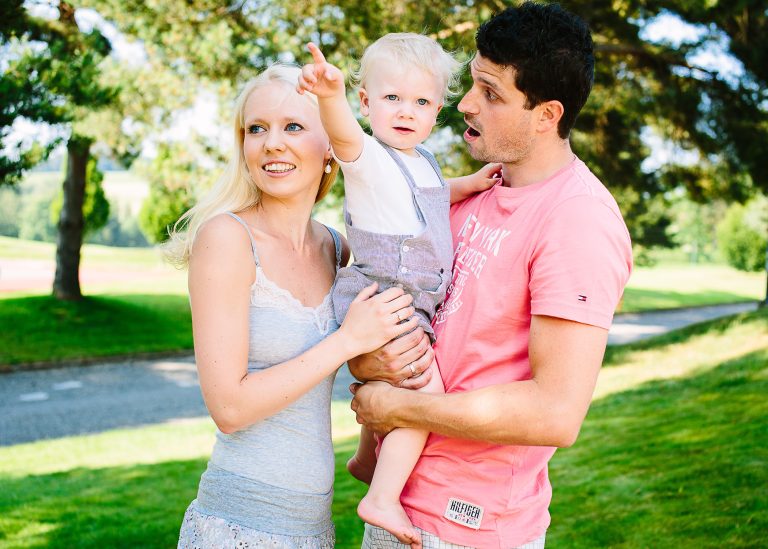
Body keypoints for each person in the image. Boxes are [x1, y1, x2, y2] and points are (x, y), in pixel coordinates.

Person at [348, 3, 634, 548]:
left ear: (547, 115)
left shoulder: (578, 220)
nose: (465, 104)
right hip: (399, 504)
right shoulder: (474, 191)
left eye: (492, 93)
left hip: (471, 527)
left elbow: (555, 411)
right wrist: (368, 356)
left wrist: (396, 405)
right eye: (473, 82)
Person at [170, 64, 419, 549]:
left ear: (332, 146)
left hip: (313, 528)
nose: (271, 144)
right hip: (236, 525)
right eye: (256, 129)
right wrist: (347, 341)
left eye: (293, 127)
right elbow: (230, 407)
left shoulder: (336, 248)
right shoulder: (227, 239)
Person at [297, 33, 499, 548]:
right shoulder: (367, 159)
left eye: (421, 102)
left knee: (397, 385)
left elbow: (429, 196)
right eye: (391, 98)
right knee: (424, 394)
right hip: (385, 300)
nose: (406, 111)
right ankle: (382, 497)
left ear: (437, 111)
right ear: (366, 102)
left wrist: (469, 184)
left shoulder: (423, 161)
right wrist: (329, 98)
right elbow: (344, 139)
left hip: (408, 303)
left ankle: (368, 457)